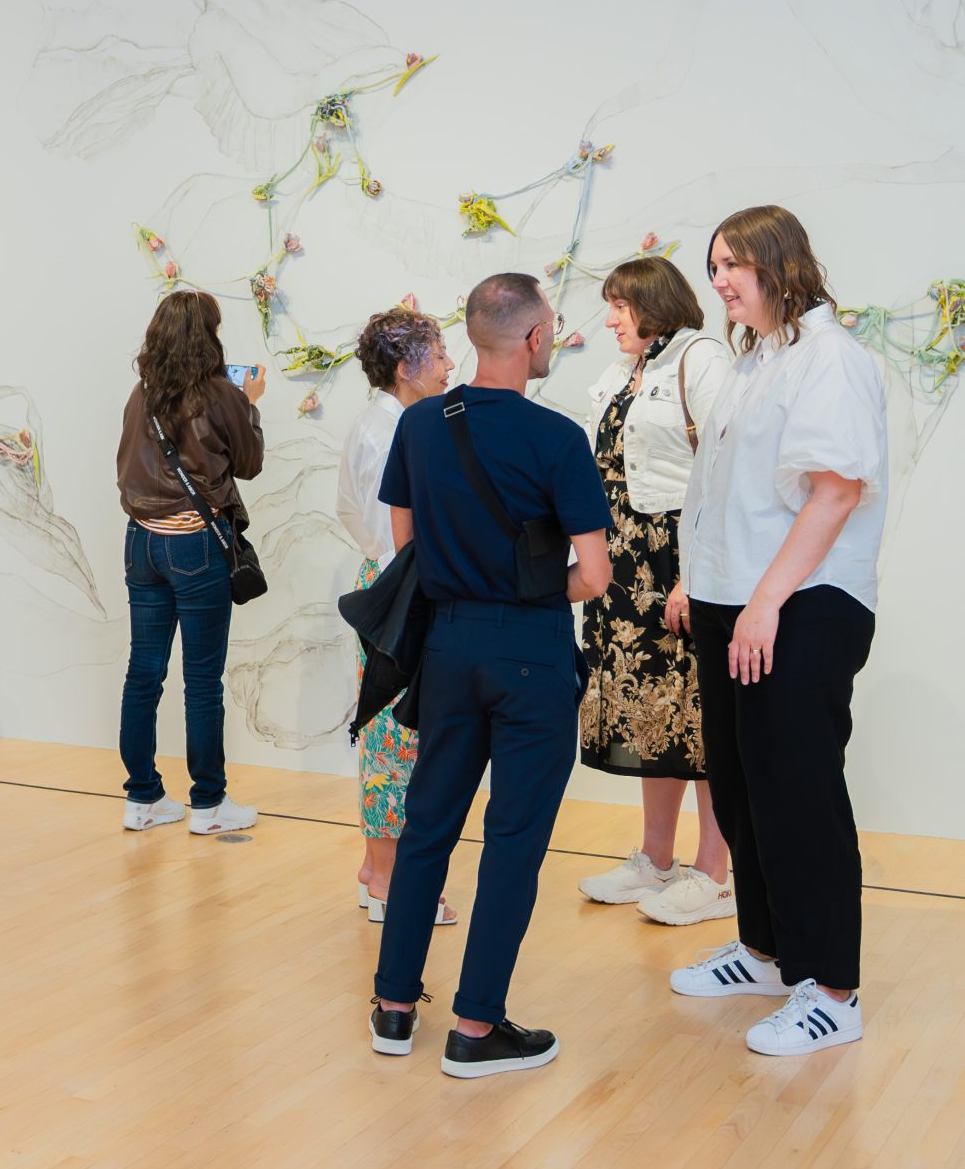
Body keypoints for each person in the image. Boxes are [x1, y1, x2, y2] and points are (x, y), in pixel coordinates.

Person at [368, 273, 612, 1079]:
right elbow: (596, 574)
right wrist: (531, 591)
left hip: (445, 649)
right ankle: (475, 1028)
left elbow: (407, 552)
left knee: (427, 823)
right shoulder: (558, 437)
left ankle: (394, 1008)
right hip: (531, 652)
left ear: (473, 335)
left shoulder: (420, 427)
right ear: (535, 338)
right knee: (512, 841)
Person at [665, 205, 888, 1058]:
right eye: (715, 264)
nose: (719, 280)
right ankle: (764, 949)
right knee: (743, 783)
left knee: (798, 791)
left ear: (780, 263)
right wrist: (704, 580)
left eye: (734, 265)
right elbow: (730, 489)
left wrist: (764, 602)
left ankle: (832, 987)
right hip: (737, 599)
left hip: (803, 604)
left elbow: (835, 490)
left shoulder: (830, 358)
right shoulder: (758, 358)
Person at [576, 254, 736, 925]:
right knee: (653, 717)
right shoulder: (622, 372)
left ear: (653, 302)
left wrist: (693, 576)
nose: (610, 319)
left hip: (677, 560)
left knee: (701, 719)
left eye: (620, 304)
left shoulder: (701, 359)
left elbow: (727, 471)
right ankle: (656, 858)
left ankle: (716, 872)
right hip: (623, 567)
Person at [115, 290, 265, 835]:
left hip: (142, 544)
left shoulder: (142, 393)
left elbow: (125, 469)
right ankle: (208, 804)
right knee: (202, 681)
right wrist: (249, 403)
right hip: (196, 546)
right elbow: (248, 464)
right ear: (209, 336)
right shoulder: (220, 395)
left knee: (143, 674)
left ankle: (142, 799)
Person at [335, 306, 456, 927]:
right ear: (408, 368)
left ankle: (374, 868)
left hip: (386, 582)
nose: (449, 366)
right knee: (392, 737)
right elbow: (395, 534)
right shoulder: (389, 433)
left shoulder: (387, 423)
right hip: (398, 590)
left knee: (393, 731)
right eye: (438, 356)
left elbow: (351, 517)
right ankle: (386, 876)